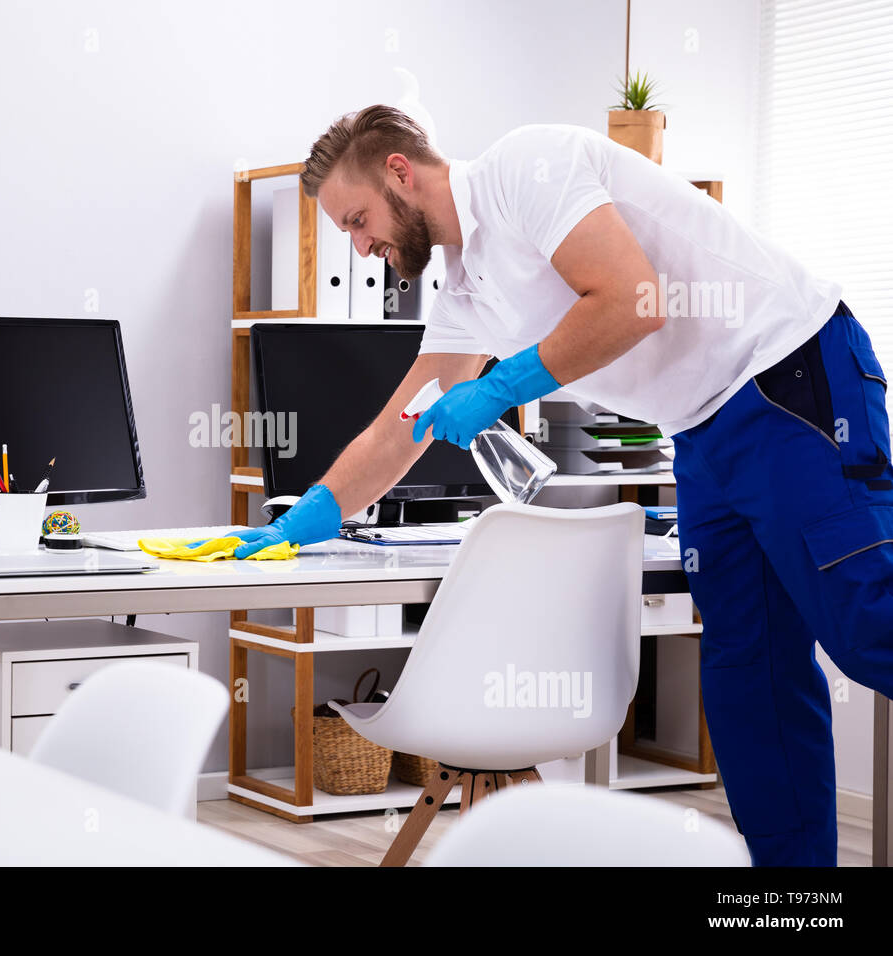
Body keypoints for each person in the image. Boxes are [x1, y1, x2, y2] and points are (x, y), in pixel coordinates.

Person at [233, 104, 893, 867]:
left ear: (399, 172)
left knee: (866, 620)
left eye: (357, 219)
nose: (360, 245)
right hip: (702, 428)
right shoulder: (465, 292)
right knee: (753, 677)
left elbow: (629, 298)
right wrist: (306, 515)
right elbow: (398, 428)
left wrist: (502, 382)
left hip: (785, 370)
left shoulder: (525, 168)